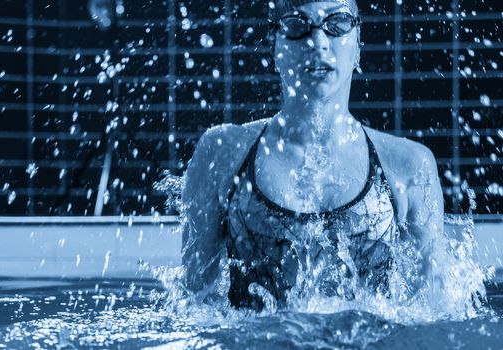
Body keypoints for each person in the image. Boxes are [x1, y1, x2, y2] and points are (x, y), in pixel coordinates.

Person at [181, 0, 444, 310]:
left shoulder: (408, 165)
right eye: (295, 25)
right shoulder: (223, 153)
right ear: (274, 47)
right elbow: (195, 305)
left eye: (338, 24)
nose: (318, 42)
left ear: (357, 45)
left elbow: (434, 311)